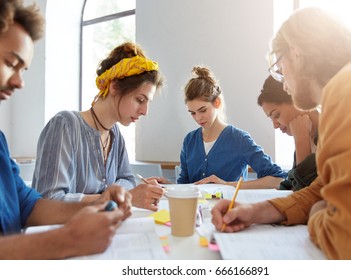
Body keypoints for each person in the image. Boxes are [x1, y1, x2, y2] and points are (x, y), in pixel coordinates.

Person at [212, 7, 351, 259]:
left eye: (279, 68)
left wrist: (318, 213)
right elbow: (322, 188)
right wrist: (257, 211)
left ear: (296, 53)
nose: (283, 83)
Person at [0, 1, 131, 259]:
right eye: (10, 63)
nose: (19, 82)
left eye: (23, 70)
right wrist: (65, 240)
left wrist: (100, 203)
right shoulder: (66, 124)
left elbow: (29, 206)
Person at [32, 42, 165, 211]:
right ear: (114, 87)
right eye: (140, 100)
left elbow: (127, 178)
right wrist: (121, 197)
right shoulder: (65, 125)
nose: (145, 111)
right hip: (63, 234)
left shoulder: (115, 135)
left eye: (148, 103)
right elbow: (49, 200)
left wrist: (124, 192)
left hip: (100, 230)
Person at [154, 66, 286, 189]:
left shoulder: (239, 139)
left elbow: (277, 179)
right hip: (197, 212)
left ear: (217, 102)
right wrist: (168, 186)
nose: (198, 118)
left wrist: (227, 185)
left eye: (203, 110)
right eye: (193, 113)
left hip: (229, 211)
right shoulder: (190, 140)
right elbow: (185, 186)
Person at [258, 75, 319, 191]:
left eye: (276, 115)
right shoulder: (307, 138)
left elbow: (304, 195)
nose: (275, 126)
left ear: (296, 101)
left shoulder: (331, 136)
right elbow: (289, 185)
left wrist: (301, 142)